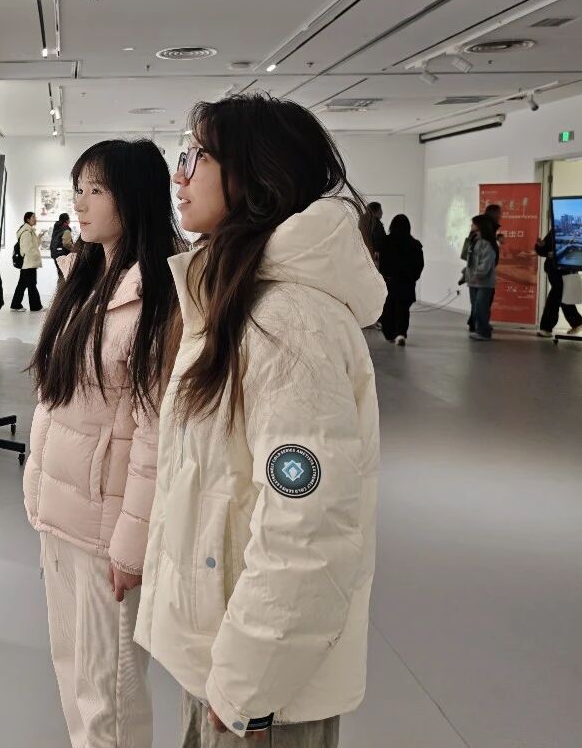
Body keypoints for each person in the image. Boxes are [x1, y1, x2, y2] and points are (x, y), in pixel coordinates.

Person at [136, 93, 385, 748]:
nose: (179, 174)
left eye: (196, 155)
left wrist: (244, 683)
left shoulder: (290, 321)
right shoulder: (236, 300)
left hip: (260, 696)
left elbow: (310, 528)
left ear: (255, 174)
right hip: (226, 665)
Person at [23, 139, 184, 748]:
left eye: (97, 189)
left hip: (105, 532)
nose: (81, 203)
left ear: (134, 198)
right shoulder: (86, 279)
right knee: (72, 676)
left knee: (109, 702)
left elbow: (154, 433)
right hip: (60, 515)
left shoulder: (157, 298)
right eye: (79, 189)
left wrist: (130, 548)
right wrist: (36, 486)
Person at [533, 227, 582, 337]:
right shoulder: (554, 230)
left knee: (555, 296)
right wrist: (541, 247)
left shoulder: (576, 231)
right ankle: (577, 323)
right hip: (554, 269)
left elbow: (578, 248)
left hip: (566, 269)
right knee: (561, 296)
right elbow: (542, 249)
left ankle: (547, 328)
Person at [378, 214, 424, 346]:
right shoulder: (415, 244)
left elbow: (382, 262)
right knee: (403, 309)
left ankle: (389, 334)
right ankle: (400, 334)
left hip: (389, 281)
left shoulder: (386, 242)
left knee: (388, 308)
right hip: (406, 282)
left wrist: (384, 275)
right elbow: (419, 265)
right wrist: (413, 278)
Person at [465, 214, 498, 341]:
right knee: (475, 307)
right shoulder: (473, 241)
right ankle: (479, 329)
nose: (471, 226)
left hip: (484, 282)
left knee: (481, 307)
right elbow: (470, 261)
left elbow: (486, 263)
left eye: (473, 224)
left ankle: (484, 332)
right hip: (473, 281)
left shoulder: (487, 244)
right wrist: (467, 274)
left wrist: (477, 274)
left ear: (480, 226)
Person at [11, 212, 43, 311]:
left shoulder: (29, 231)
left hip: (28, 263)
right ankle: (36, 307)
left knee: (22, 285)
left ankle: (15, 305)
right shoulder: (26, 232)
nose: (35, 219)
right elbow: (26, 249)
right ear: (28, 219)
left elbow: (34, 246)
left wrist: (39, 237)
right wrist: (36, 255)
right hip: (28, 263)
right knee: (32, 285)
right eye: (33, 217)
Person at [50, 212, 76, 279]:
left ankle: (60, 285)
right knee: (65, 275)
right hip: (63, 254)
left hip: (55, 254)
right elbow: (66, 243)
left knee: (60, 274)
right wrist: (74, 249)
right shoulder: (66, 229)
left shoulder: (57, 228)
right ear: (67, 220)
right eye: (69, 219)